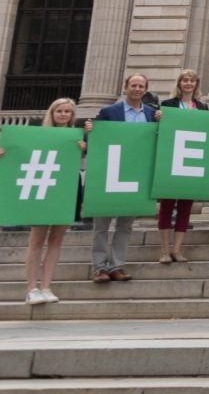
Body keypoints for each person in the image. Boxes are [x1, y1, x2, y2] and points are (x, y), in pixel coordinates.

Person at [1, 98, 88, 304]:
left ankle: (46, 286)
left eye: (67, 111)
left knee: (57, 239)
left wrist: (83, 146)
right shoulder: (35, 134)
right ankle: (31, 288)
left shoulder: (77, 138)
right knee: (37, 239)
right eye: (60, 111)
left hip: (66, 188)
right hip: (42, 187)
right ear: (52, 112)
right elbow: (18, 153)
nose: (64, 114)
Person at [91, 74, 160, 283]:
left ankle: (117, 266)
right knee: (101, 223)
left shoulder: (151, 115)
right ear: (126, 87)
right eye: (134, 85)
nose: (137, 89)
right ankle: (99, 267)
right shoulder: (109, 112)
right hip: (111, 172)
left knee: (125, 225)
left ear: (145, 90)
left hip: (136, 173)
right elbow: (97, 140)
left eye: (141, 86)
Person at [156, 69, 208, 263]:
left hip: (192, 160)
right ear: (179, 84)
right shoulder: (167, 105)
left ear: (196, 84)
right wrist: (159, 119)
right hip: (172, 159)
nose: (188, 84)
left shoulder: (202, 107)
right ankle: (164, 249)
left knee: (186, 206)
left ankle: (177, 249)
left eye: (192, 81)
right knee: (166, 206)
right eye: (185, 80)